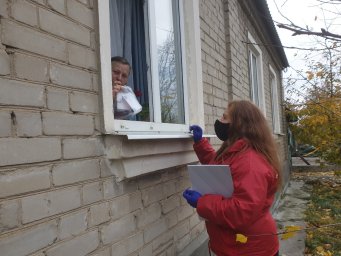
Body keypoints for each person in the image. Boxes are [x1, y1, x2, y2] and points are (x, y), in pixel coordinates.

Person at [184, 100, 281, 256]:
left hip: (251, 250)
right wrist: (200, 143)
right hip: (236, 245)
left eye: (224, 117)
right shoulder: (238, 150)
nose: (219, 122)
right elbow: (221, 167)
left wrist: (201, 202)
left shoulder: (251, 162)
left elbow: (242, 211)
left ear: (239, 124)